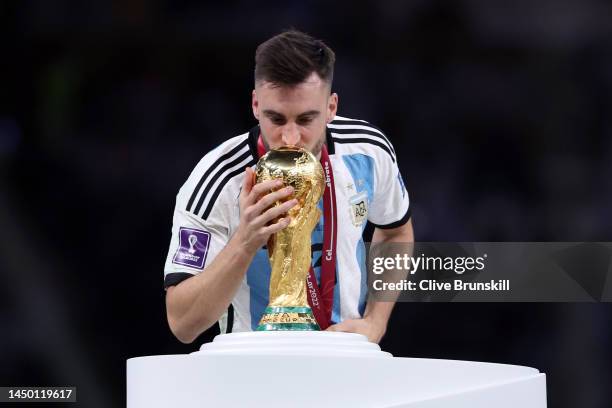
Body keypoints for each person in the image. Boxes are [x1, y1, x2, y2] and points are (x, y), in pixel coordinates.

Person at [164, 30, 414, 344]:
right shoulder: (217, 180)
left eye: (307, 119)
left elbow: (395, 232)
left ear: (331, 107)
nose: (291, 138)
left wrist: (376, 322)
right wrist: (245, 241)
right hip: (253, 370)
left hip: (348, 361)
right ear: (256, 105)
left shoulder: (368, 151)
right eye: (276, 119)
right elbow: (182, 322)